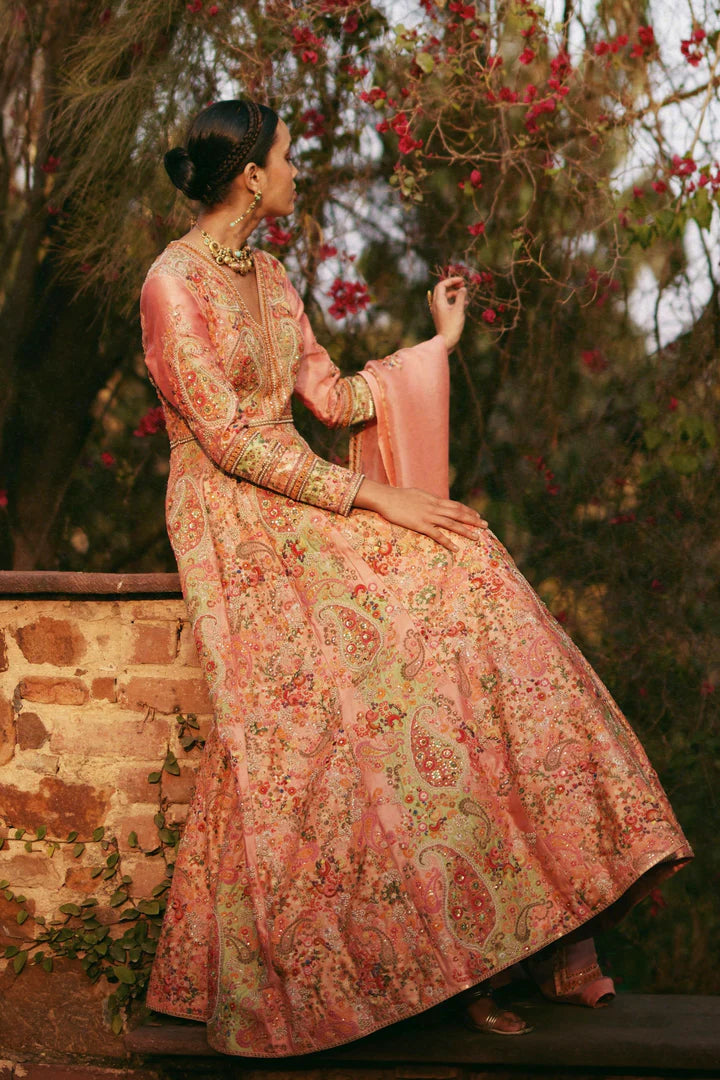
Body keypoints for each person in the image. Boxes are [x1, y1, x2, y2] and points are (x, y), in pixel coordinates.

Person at [140, 99, 692, 1057]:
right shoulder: (170, 284)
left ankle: (538, 921)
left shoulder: (270, 275)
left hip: (297, 493)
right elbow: (228, 442)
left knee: (468, 566)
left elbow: (329, 397)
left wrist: (437, 347)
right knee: (412, 634)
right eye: (286, 157)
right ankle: (465, 955)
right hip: (231, 512)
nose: (297, 170)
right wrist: (377, 499)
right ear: (249, 177)